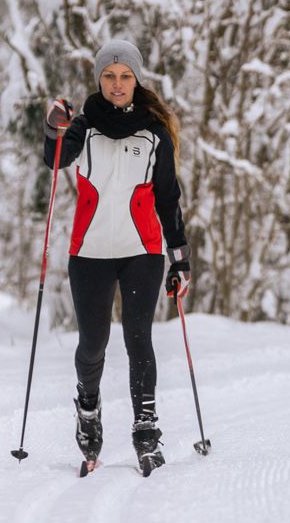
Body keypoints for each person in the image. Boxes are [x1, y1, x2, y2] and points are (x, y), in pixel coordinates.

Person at [42, 38, 192, 475]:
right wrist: (54, 128)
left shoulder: (153, 134)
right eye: (109, 75)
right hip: (89, 253)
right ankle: (88, 412)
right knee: (93, 343)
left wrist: (179, 257)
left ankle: (146, 431)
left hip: (141, 252)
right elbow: (54, 161)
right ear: (99, 79)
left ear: (136, 79)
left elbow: (168, 199)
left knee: (138, 340)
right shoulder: (83, 129)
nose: (118, 83)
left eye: (125, 75)